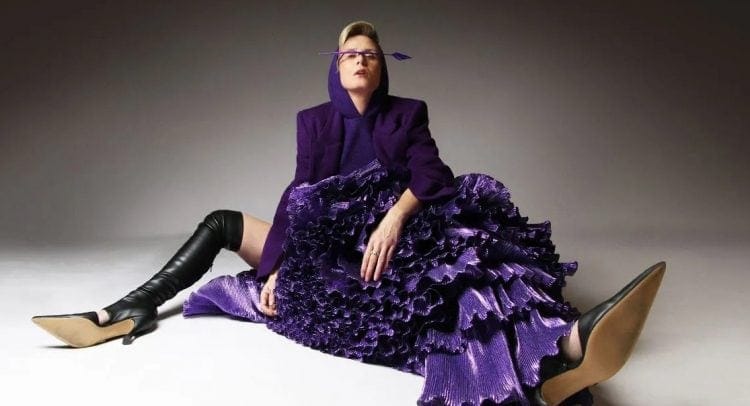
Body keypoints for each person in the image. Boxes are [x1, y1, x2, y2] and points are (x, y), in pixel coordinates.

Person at [32, 20, 666, 406]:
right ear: (336, 67)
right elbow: (299, 194)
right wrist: (275, 268)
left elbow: (433, 175)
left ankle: (565, 346)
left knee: (467, 272)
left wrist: (395, 215)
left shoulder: (406, 114)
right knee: (223, 220)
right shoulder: (313, 122)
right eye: (349, 54)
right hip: (324, 249)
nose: (360, 60)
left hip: (391, 242)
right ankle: (129, 309)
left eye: (370, 54)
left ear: (382, 68)